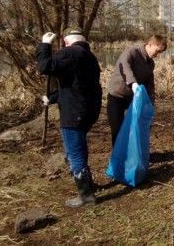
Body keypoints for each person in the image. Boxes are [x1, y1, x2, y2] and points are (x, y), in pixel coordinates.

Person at [37, 26, 102, 208]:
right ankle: (88, 185)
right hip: (87, 111)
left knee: (74, 152)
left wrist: (44, 45)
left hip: (74, 114)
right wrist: (52, 98)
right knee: (77, 147)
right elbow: (76, 87)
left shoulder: (70, 53)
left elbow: (45, 66)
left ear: (66, 41)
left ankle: (87, 196)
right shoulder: (89, 57)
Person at [107, 35, 167, 146]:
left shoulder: (150, 63)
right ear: (150, 44)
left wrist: (150, 103)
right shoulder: (132, 52)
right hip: (116, 95)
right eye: (157, 51)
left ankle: (136, 154)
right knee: (117, 128)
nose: (157, 55)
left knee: (136, 126)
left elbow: (149, 85)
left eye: (160, 53)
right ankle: (119, 157)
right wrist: (133, 83)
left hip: (132, 97)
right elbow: (125, 66)